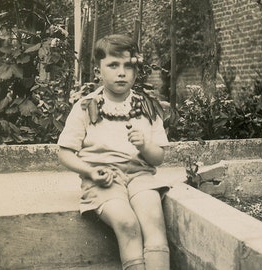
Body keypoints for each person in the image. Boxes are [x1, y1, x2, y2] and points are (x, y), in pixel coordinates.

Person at [57, 34, 170, 270]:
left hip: (140, 177)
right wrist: (90, 171)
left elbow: (158, 158)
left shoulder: (147, 107)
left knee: (154, 222)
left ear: (136, 71)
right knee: (127, 223)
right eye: (113, 65)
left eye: (128, 66)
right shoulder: (87, 106)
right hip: (104, 179)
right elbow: (64, 152)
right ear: (98, 71)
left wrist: (144, 146)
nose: (122, 73)